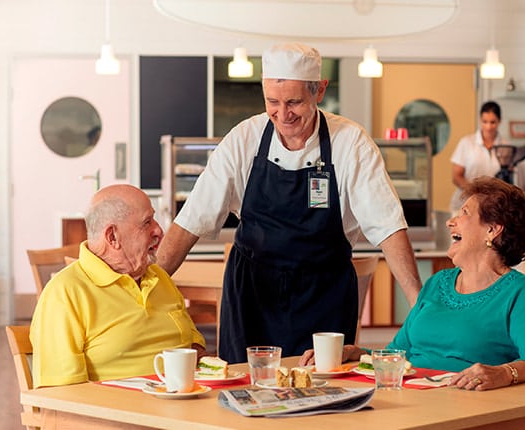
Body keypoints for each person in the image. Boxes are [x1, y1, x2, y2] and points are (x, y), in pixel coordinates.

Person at [156, 42, 422, 363]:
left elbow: (388, 226)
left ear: (319, 91)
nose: (283, 114)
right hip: (252, 293)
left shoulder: (350, 142)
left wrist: (419, 307)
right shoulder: (244, 139)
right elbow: (192, 220)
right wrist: (145, 288)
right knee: (244, 386)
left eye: (294, 102)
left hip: (324, 292)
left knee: (325, 389)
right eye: (272, 102)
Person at [300, 177, 525, 390]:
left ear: (492, 230)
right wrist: (358, 353)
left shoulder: (521, 292)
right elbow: (397, 354)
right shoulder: (438, 283)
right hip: (410, 401)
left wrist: (504, 373)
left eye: (464, 213)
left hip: (464, 408)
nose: (451, 221)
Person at [30, 184, 206, 387]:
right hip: (119, 415)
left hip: (184, 407)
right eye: (146, 222)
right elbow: (62, 395)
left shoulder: (159, 277)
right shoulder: (65, 293)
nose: (158, 230)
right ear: (112, 237)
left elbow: (194, 346)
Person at [449, 101, 503, 214]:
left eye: (493, 122)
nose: (488, 127)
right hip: (464, 202)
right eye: (485, 122)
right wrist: (475, 193)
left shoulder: (505, 146)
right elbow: (456, 176)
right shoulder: (467, 142)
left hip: (492, 205)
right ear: (480, 120)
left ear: (499, 121)